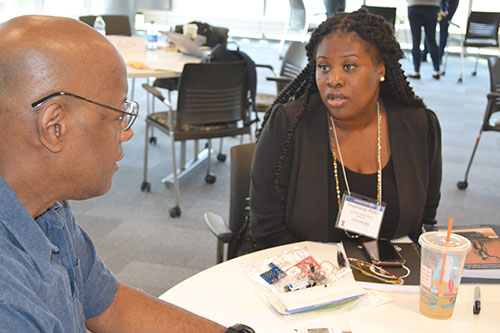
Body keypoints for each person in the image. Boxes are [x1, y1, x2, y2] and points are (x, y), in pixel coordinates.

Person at [0, 15, 254, 333]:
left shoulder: (47, 206)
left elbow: (110, 305)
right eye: (119, 114)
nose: (127, 133)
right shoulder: (7, 301)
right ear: (55, 127)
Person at [240, 9, 442, 254]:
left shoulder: (420, 126)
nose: (333, 79)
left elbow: (425, 220)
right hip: (304, 274)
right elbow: (267, 229)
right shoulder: (288, 125)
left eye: (349, 66)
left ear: (380, 69)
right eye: (323, 67)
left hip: (393, 275)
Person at [406, 0, 442, 79]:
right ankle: (436, 70)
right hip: (432, 7)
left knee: (416, 41)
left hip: (414, 5)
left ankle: (416, 71)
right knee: (432, 39)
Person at [422, 0, 460, 66]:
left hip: (450, 3)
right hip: (439, 2)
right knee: (430, 27)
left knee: (442, 27)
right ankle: (426, 53)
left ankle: (438, 57)